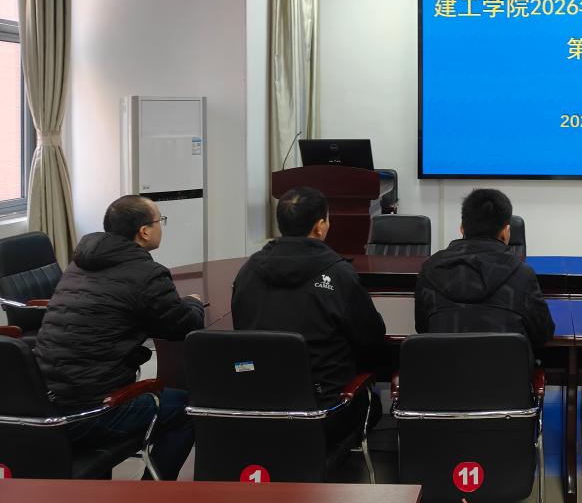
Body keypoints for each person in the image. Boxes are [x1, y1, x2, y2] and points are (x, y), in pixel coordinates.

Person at [34, 195, 205, 480]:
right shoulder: (147, 274)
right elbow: (182, 326)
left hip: (43, 404)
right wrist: (193, 302)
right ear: (144, 231)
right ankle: (150, 495)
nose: (161, 227)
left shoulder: (79, 265)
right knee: (188, 410)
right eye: (160, 221)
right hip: (92, 411)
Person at [232, 186, 386, 437]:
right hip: (324, 411)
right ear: (320, 227)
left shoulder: (248, 271)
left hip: (258, 406)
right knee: (373, 402)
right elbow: (372, 337)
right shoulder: (338, 274)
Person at [415, 188, 554, 353]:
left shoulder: (429, 270)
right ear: (505, 232)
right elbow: (543, 334)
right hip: (505, 369)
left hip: (442, 367)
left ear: (462, 229)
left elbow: (423, 328)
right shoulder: (522, 274)